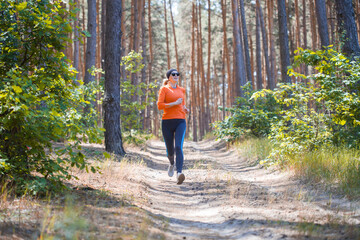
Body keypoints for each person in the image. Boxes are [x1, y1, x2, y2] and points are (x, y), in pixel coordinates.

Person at [157, 69, 190, 185]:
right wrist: (174, 103)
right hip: (167, 122)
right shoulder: (164, 89)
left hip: (180, 120)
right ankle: (171, 164)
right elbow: (160, 106)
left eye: (178, 74)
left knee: (178, 147)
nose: (176, 76)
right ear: (169, 77)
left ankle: (179, 173)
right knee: (170, 150)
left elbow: (182, 104)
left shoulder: (182, 90)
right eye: (174, 74)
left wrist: (185, 109)